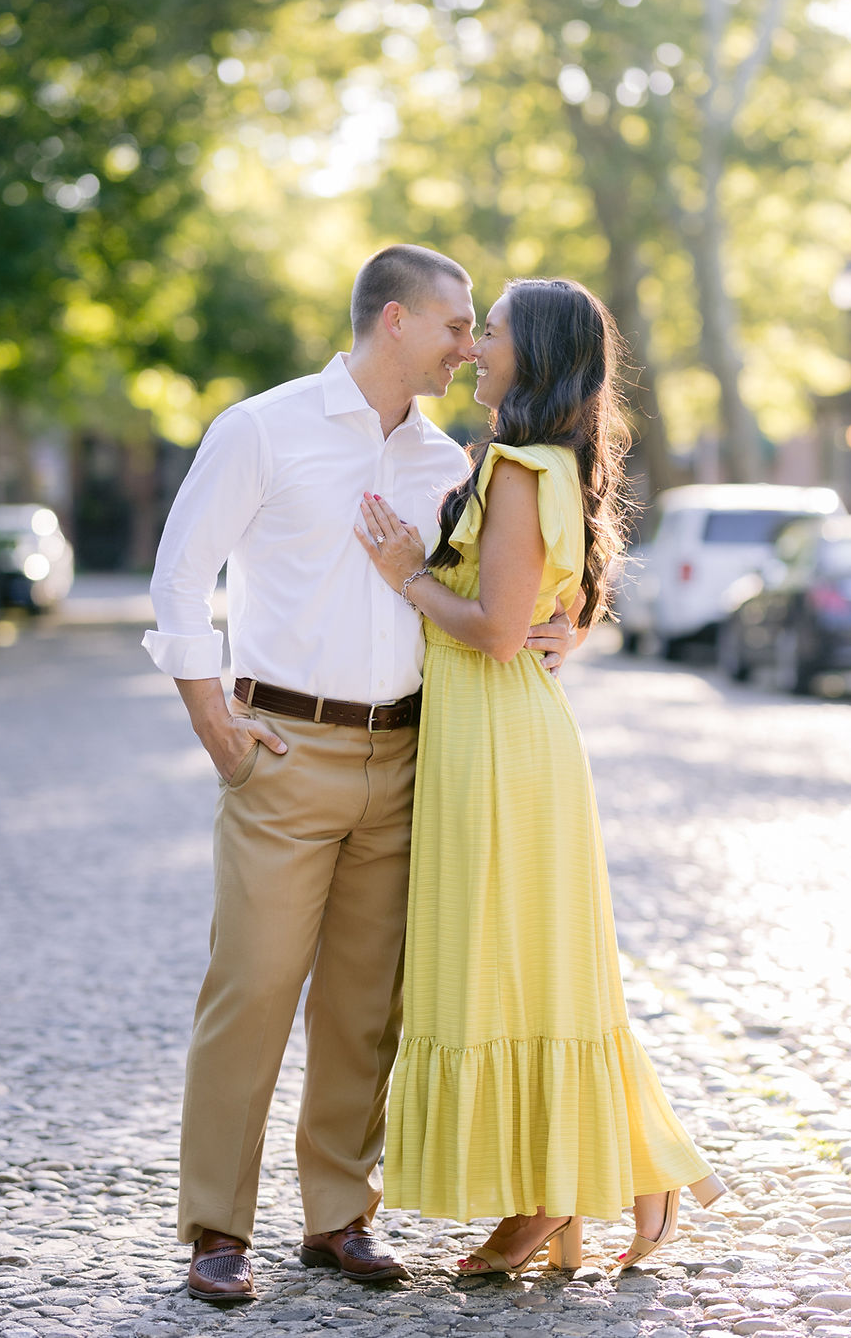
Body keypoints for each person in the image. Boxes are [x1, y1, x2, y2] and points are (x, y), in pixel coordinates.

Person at [141, 245, 577, 1302]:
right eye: (454, 325)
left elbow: (514, 583)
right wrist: (213, 719)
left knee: (364, 1007)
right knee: (248, 991)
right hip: (284, 752)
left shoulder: (447, 464)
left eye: (479, 330)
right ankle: (216, 1228)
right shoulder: (263, 428)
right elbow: (180, 570)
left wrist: (567, 624)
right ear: (393, 320)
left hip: (408, 756)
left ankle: (339, 1216)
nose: (469, 345)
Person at [356, 277, 724, 1279]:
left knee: (505, 973)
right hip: (497, 734)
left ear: (539, 354)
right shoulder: (529, 464)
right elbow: (544, 616)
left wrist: (407, 575)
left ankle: (560, 1195)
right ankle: (597, 1181)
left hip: (499, 749)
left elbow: (495, 628)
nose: (476, 344)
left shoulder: (517, 469)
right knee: (524, 972)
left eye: (496, 331)